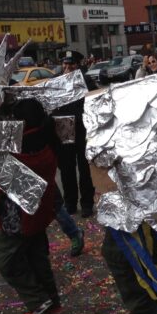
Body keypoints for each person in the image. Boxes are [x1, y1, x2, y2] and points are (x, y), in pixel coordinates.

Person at [0, 99, 63, 314]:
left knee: (5, 260)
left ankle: (38, 302)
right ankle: (53, 306)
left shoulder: (16, 154)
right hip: (39, 214)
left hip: (17, 220)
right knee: (37, 259)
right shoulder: (47, 141)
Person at [54, 51, 96, 218]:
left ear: (78, 65)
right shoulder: (57, 80)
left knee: (85, 168)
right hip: (63, 126)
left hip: (82, 127)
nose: (67, 67)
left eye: (71, 64)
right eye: (65, 64)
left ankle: (87, 203)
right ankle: (70, 202)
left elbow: (95, 100)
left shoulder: (86, 80)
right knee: (66, 168)